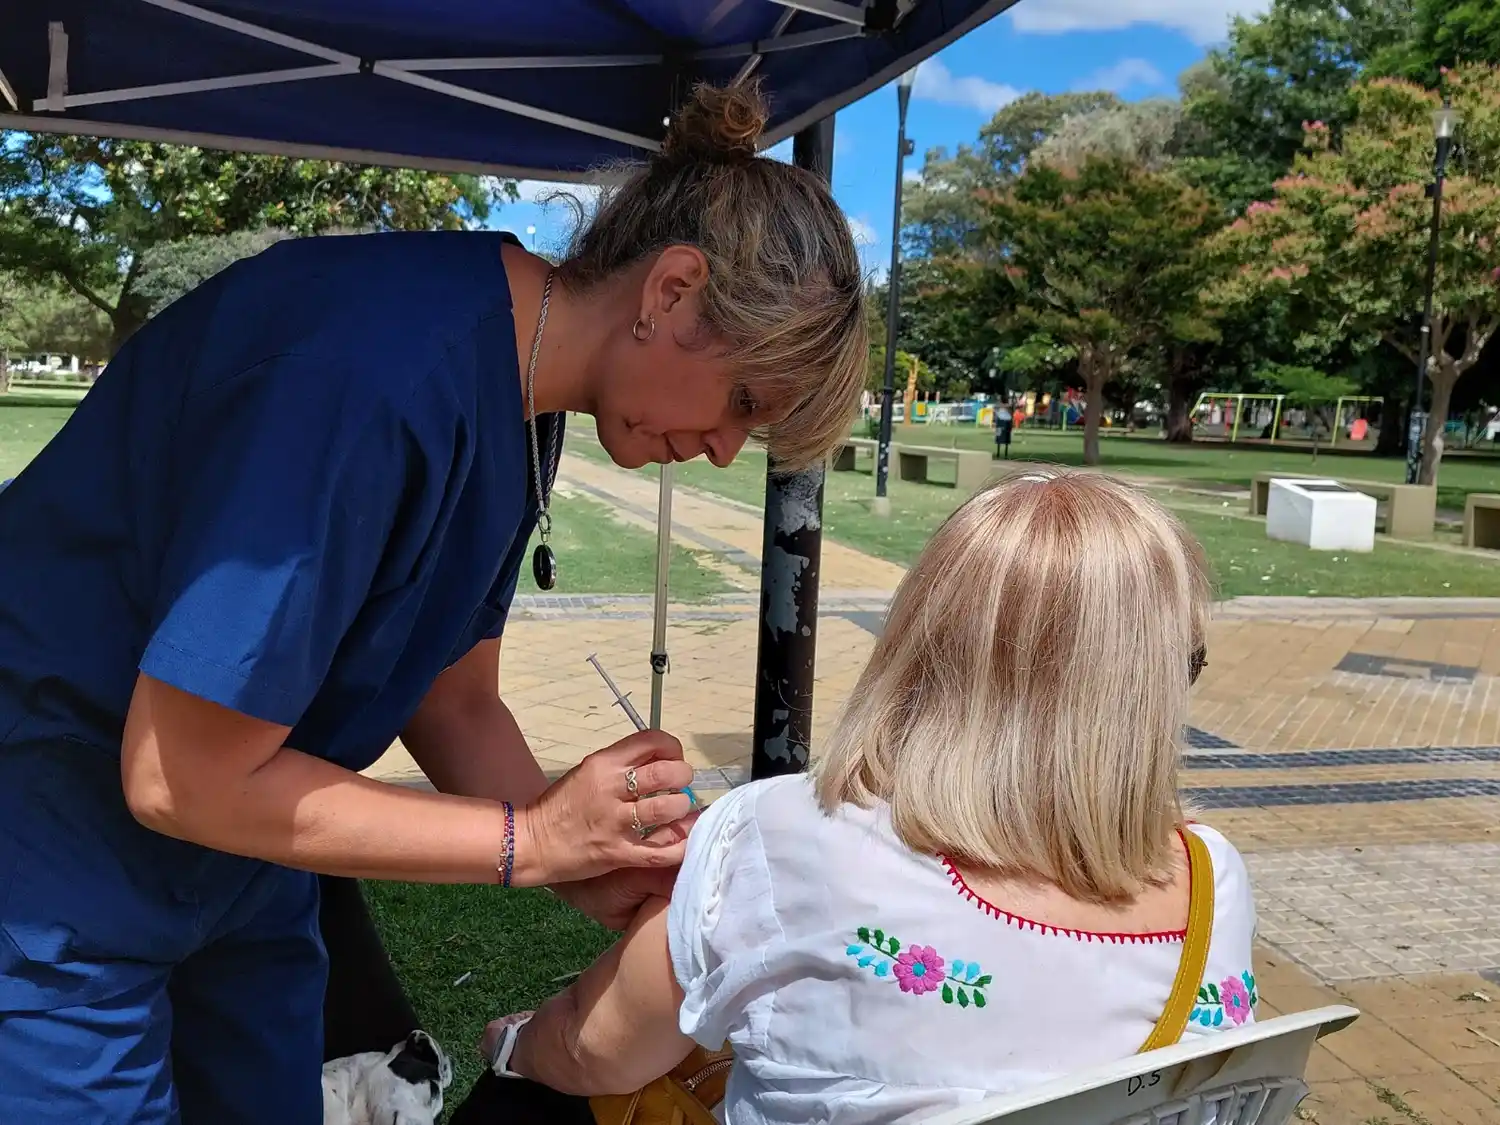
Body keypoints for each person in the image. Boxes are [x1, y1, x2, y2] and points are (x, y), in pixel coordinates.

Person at [0, 80, 866, 1124]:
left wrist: (586, 865)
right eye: (744, 404)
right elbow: (174, 774)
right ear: (672, 291)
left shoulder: (524, 384)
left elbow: (453, 701)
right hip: (56, 839)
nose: (728, 449)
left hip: (244, 857)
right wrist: (533, 839)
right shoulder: (373, 378)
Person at [444, 470, 1256, 1125]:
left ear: (919, 643)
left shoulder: (787, 836)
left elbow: (596, 1047)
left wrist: (515, 1045)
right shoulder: (1214, 878)